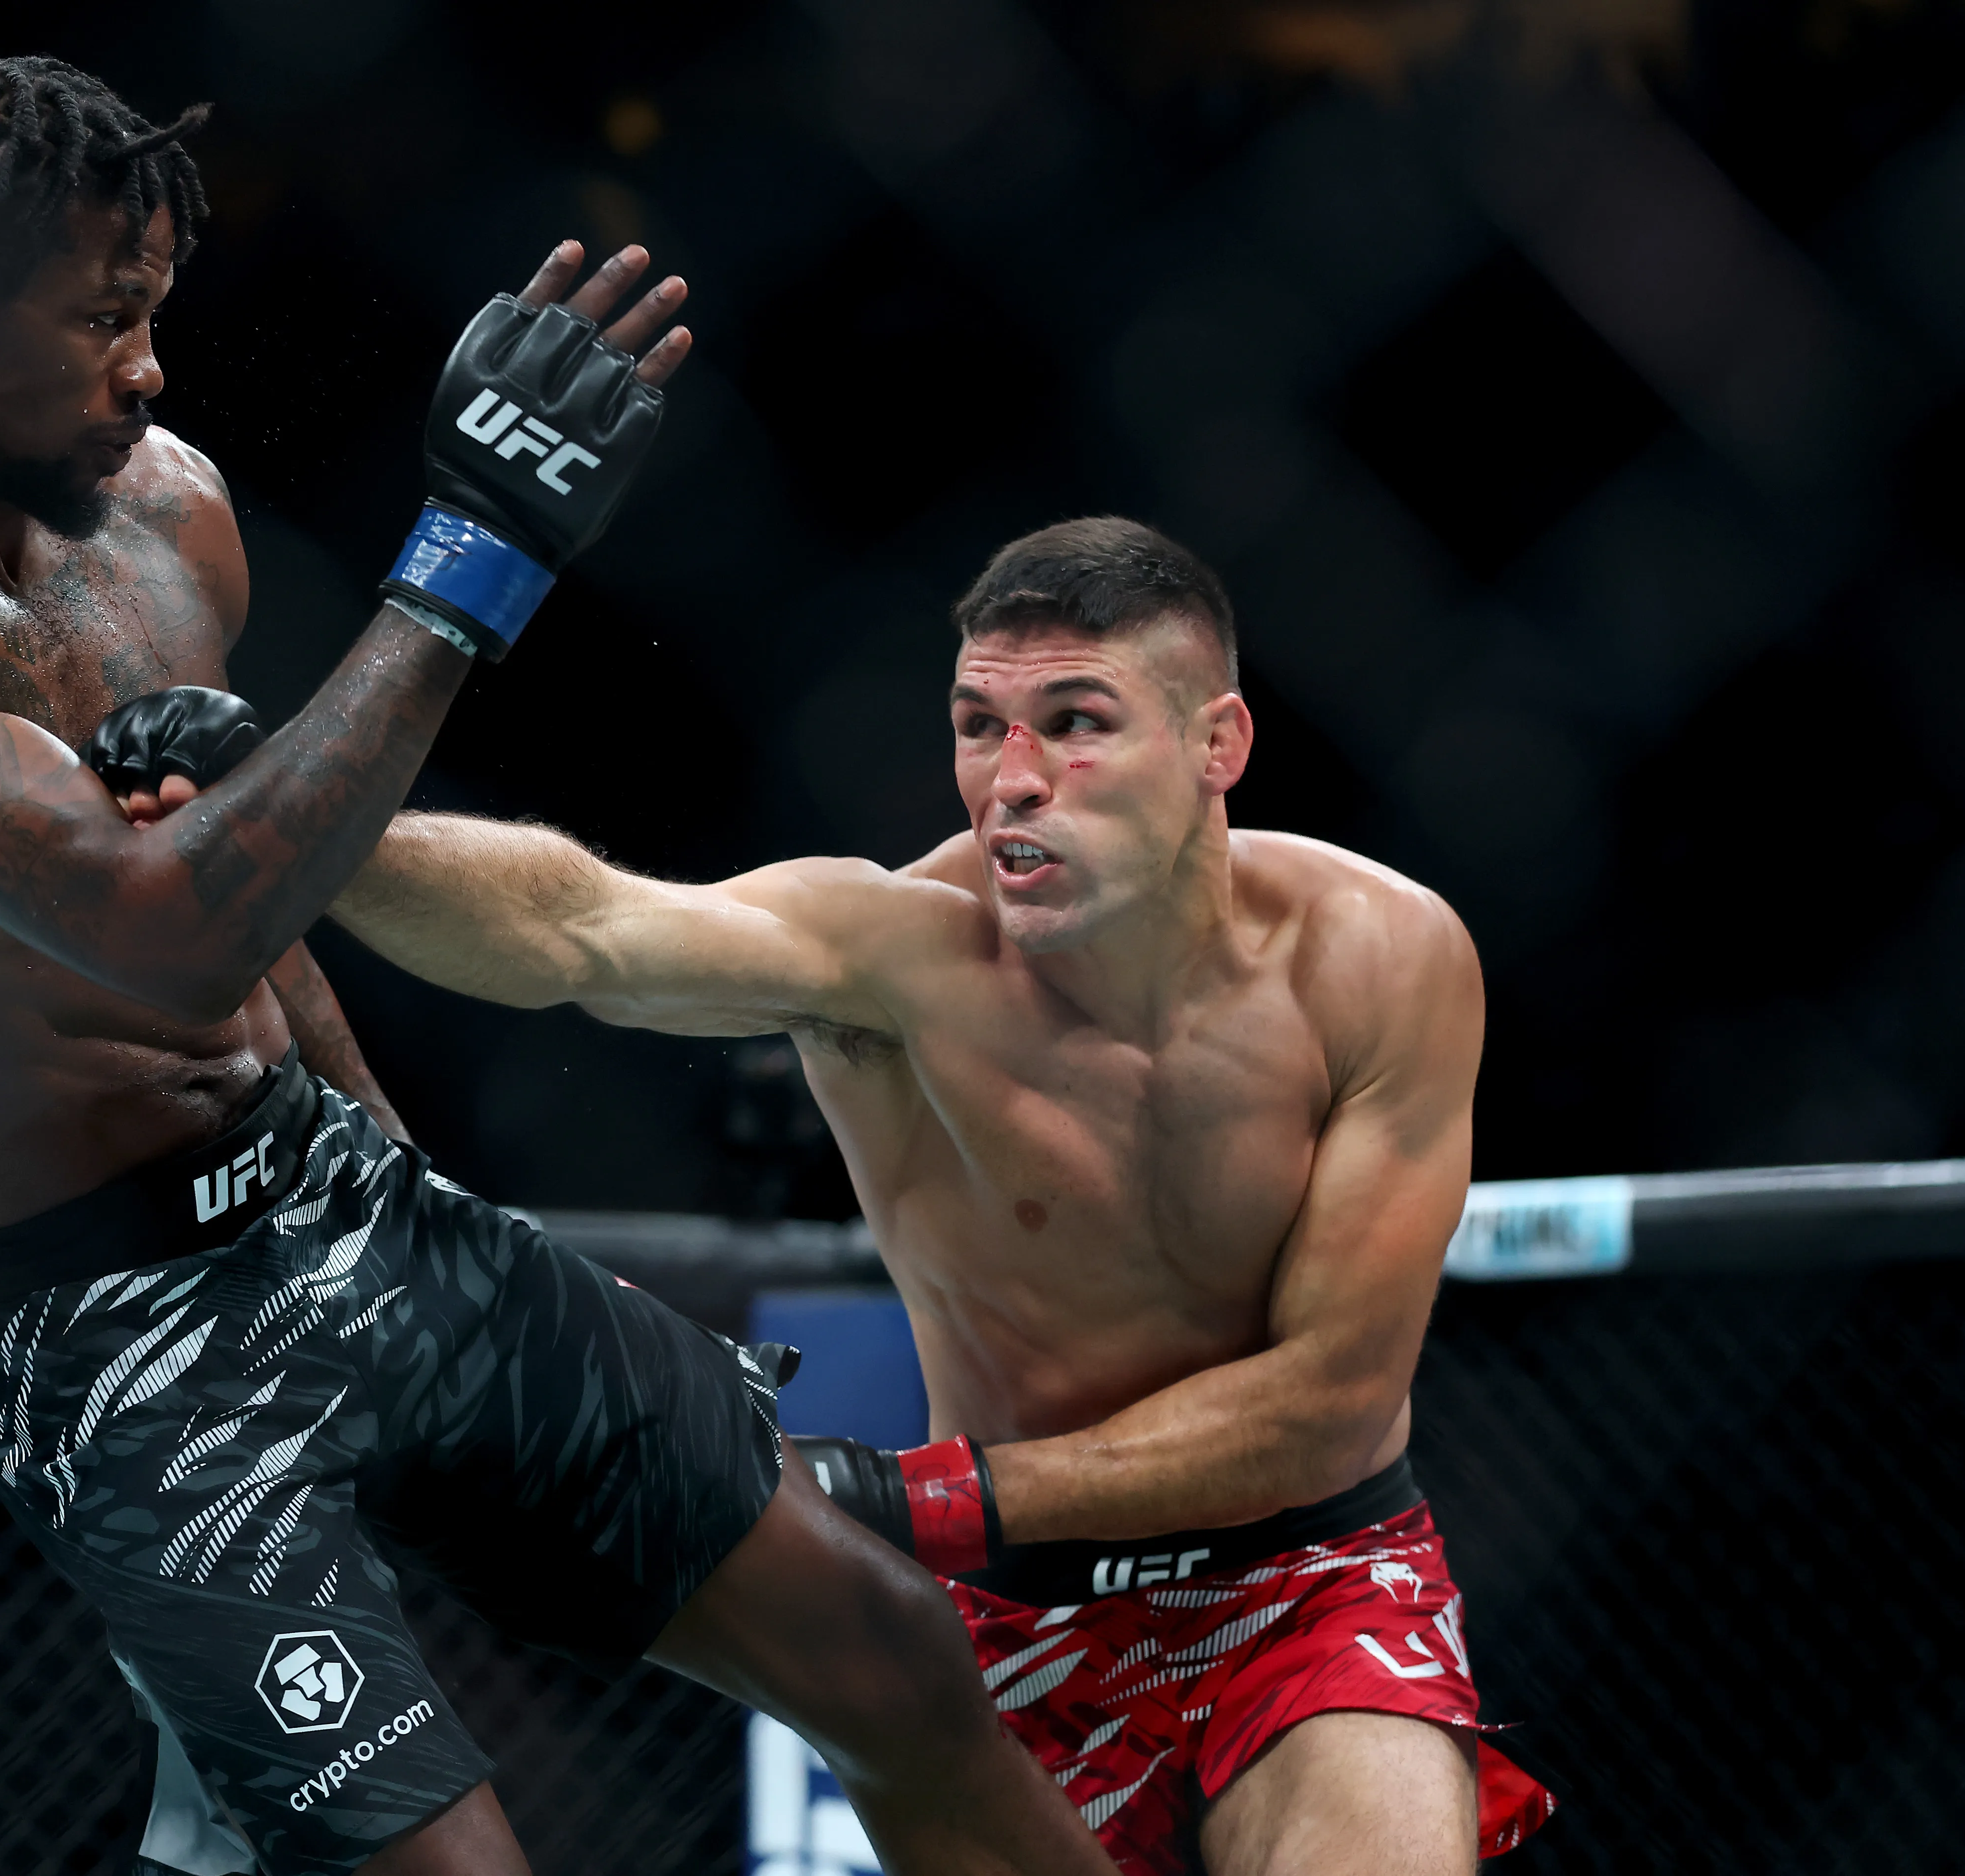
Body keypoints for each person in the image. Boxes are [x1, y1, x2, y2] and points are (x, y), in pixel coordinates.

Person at [0, 52, 1122, 1876]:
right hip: (117, 1331)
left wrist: (394, 1170)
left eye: (156, 314)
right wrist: (467, 570)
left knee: (897, 1658)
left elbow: (263, 896)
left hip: (344, 1200)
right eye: (103, 320)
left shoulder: (157, 516)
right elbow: (170, 938)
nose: (149, 368)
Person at [171, 516, 1561, 1873]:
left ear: (1218, 745)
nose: (1014, 778)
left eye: (1078, 721)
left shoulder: (1380, 959)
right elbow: (578, 924)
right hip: (1011, 1624)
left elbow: (1322, 1406)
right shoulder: (893, 962)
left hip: (1308, 1581)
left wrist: (910, 1501)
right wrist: (309, 825)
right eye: (978, 725)